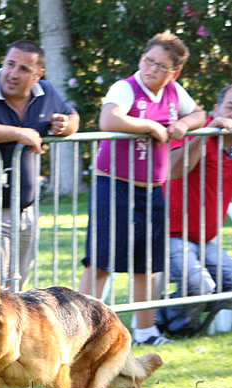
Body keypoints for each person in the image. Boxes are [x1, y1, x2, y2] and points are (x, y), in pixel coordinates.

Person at [79, 32, 206, 346]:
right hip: (114, 186)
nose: (152, 69)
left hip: (152, 190)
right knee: (100, 262)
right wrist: (150, 126)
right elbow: (109, 119)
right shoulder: (125, 87)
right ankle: (78, 333)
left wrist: (183, 125)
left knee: (147, 265)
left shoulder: (175, 92)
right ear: (141, 60)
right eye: (149, 61)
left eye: (161, 66)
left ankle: (146, 332)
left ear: (174, 73)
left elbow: (200, 114)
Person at [0, 40, 79, 289]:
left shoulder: (45, 92)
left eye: (23, 69)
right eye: (9, 64)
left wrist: (64, 125)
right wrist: (19, 133)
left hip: (26, 212)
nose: (12, 74)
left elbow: (74, 117)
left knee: (16, 296)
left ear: (37, 75)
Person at [155, 85, 232, 337]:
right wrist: (204, 135)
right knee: (200, 285)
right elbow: (173, 170)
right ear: (216, 109)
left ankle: (177, 309)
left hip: (208, 239)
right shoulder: (195, 130)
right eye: (230, 108)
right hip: (171, 234)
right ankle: (174, 326)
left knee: (226, 284)